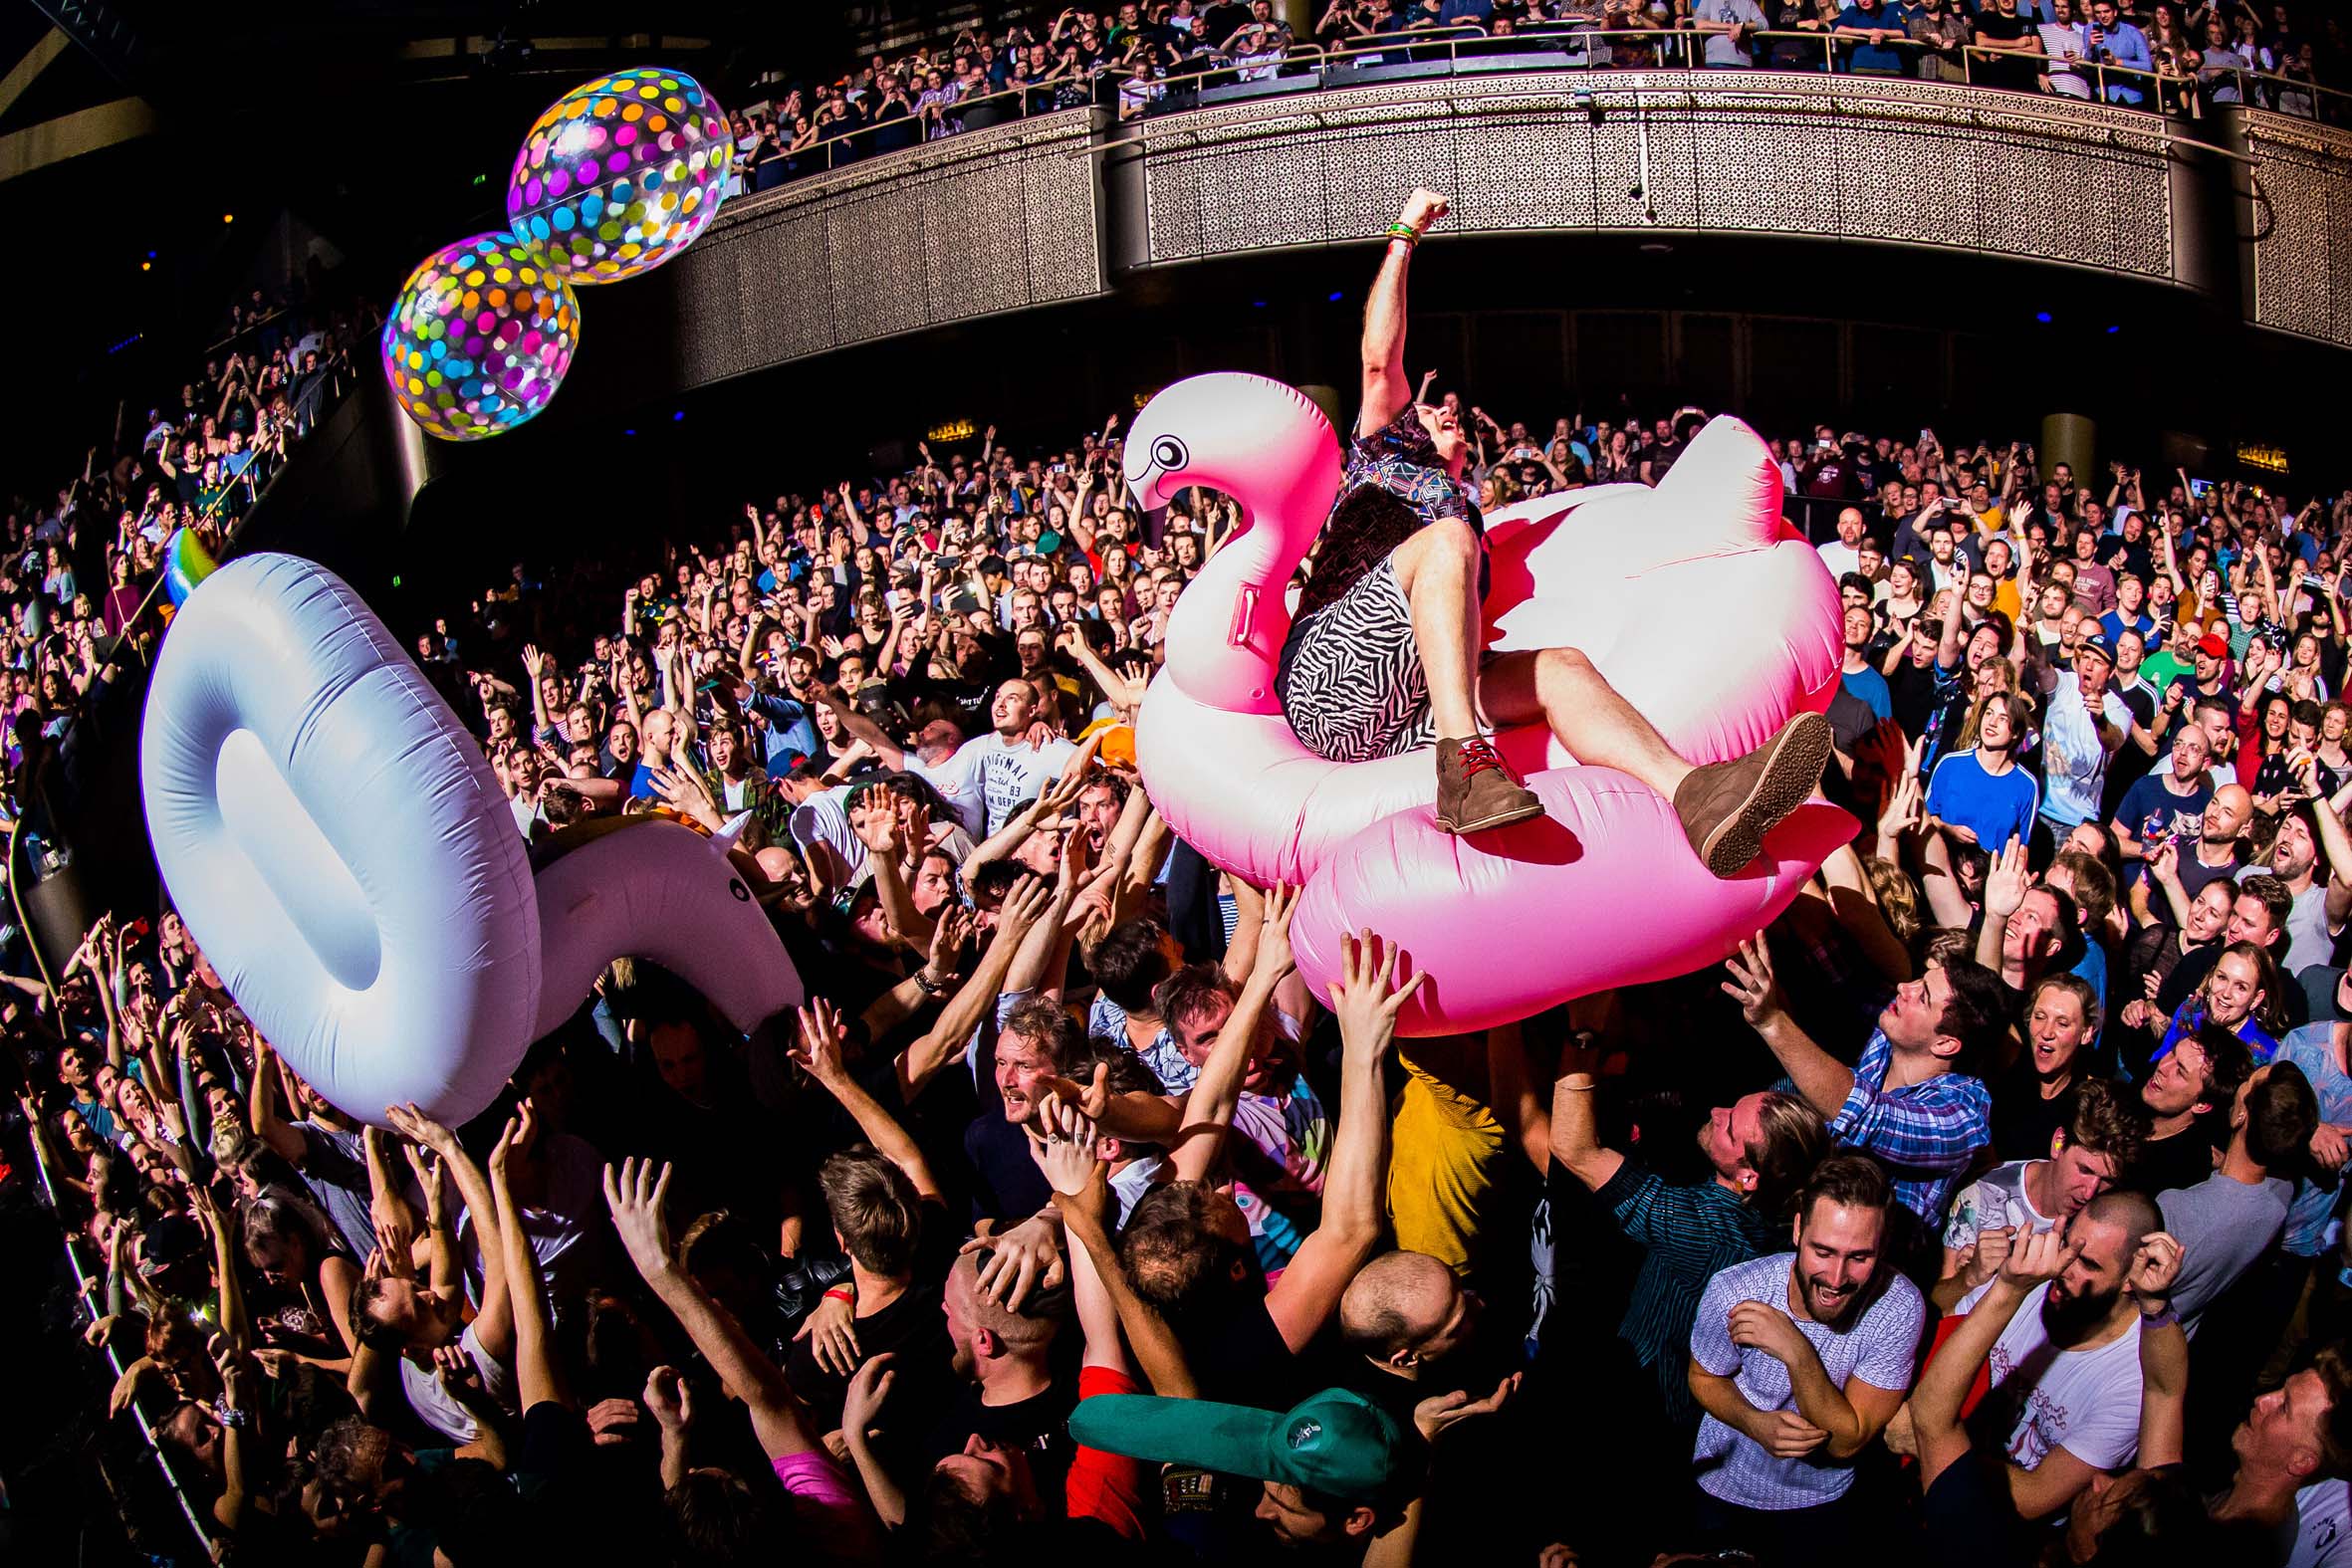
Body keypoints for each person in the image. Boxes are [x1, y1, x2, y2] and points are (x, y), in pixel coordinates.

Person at [1274, 188, 1830, 864]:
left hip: (1410, 706)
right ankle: (1466, 767)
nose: (1448, 410)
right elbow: (1377, 359)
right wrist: (1405, 233)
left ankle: (1697, 795)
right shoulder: (1384, 456)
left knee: (1561, 668)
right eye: (1433, 407)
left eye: (1453, 412)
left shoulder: (1468, 517)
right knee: (1445, 543)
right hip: (1327, 680)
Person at [1549, 1062, 1828, 1429]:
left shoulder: (1705, 1234)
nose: (1717, 1112)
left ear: (1748, 1176)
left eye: (1729, 1126)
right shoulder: (1782, 1186)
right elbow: (1808, 1080)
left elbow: (1575, 1150)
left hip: (1646, 1402)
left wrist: (1581, 1044)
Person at [1685, 1155, 1924, 1560]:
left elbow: (1847, 1442)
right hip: (1724, 1487)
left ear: (1882, 1246)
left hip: (1823, 1501)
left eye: (1859, 1257)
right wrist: (1754, 1422)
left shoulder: (1898, 1308)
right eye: (1823, 1252)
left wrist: (1797, 1351)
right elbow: (1704, 1377)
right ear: (1798, 1230)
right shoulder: (1736, 1289)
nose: (1836, 1278)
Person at [1723, 935, 2003, 1228]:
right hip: (1806, 1218)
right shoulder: (1891, 1036)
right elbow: (1844, 985)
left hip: (1864, 1251)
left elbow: (1865, 1115)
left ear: (1945, 1044)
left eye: (1923, 997)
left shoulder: (1962, 1117)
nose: (1904, 987)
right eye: (1918, 980)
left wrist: (1771, 1021)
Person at [1955, 1190, 2172, 1520]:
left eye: (2088, 1263)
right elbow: (1938, 1339)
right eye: (2068, 1245)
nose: (2064, 1266)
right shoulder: (2031, 1273)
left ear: (2131, 1279)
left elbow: (2033, 1497)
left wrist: (1940, 1443)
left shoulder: (2130, 1380)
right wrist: (1969, 1279)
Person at [1935, 1077, 2146, 1312]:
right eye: (2084, 1170)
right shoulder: (1983, 1192)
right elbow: (1937, 1305)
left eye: (2107, 1180)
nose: (2089, 1192)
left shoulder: (2105, 1225)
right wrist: (1969, 1277)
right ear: (2058, 1143)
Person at [2157, 1059, 2316, 1331]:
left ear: (2240, 1115)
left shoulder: (2176, 1208)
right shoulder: (2281, 1196)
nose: (2242, 1084)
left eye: (2248, 1082)